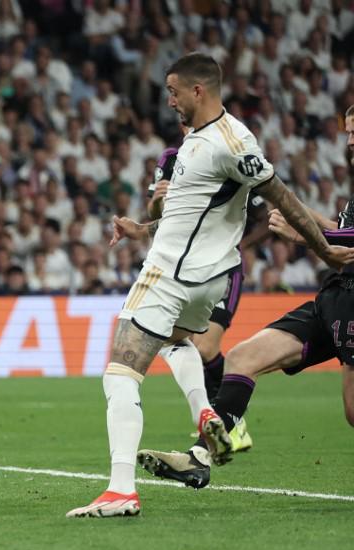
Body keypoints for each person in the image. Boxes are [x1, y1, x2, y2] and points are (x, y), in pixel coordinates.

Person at [67, 54, 354, 518]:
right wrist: (141, 228)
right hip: (209, 281)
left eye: (173, 91)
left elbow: (283, 197)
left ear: (198, 91)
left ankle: (121, 490)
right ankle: (205, 411)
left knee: (119, 373)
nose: (169, 100)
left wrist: (326, 252)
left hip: (169, 275)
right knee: (177, 343)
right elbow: (187, 208)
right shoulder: (221, 138)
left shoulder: (225, 144)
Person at [139, 105, 354, 489]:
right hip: (335, 296)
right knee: (241, 357)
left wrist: (301, 233)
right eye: (348, 132)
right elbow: (341, 229)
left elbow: (346, 244)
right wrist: (300, 211)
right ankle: (199, 458)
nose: (350, 141)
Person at [147, 134, 267, 454]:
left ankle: (231, 421)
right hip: (186, 268)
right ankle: (223, 418)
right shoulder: (171, 159)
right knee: (185, 343)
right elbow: (154, 210)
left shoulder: (227, 157)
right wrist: (159, 199)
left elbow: (265, 217)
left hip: (224, 267)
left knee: (205, 345)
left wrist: (238, 244)